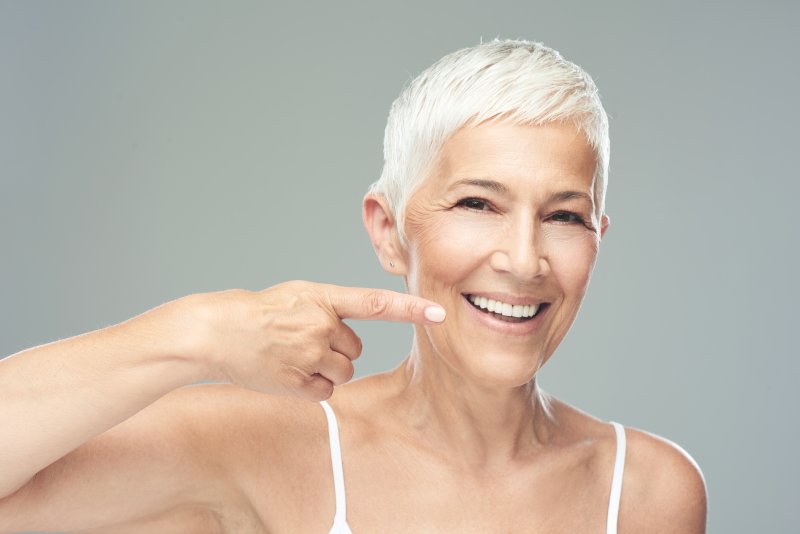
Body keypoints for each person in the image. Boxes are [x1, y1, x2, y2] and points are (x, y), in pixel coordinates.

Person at [0, 39, 707, 533]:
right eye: (477, 204)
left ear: (597, 241)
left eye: (562, 216)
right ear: (389, 231)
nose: (524, 260)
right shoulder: (270, 450)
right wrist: (202, 332)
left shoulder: (650, 491)